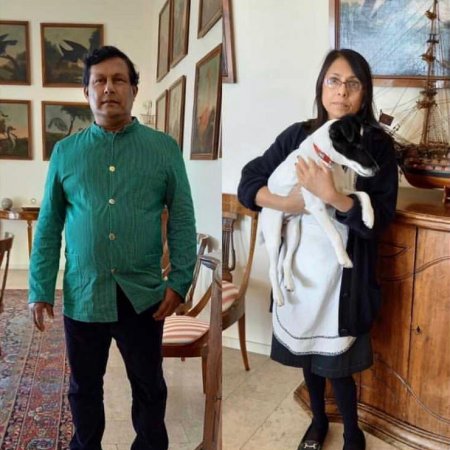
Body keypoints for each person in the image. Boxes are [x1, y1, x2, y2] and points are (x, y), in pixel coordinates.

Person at [28, 46, 197, 450]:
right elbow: (49, 224)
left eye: (119, 80)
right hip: (85, 293)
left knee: (149, 386)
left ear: (134, 90)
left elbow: (182, 218)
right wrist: (40, 288)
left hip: (143, 296)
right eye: (99, 81)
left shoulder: (163, 149)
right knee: (84, 387)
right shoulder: (66, 153)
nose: (109, 88)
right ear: (86, 92)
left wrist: (179, 281)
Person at [237, 49, 398, 450]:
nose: (342, 92)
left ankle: (353, 433)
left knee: (338, 365)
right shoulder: (298, 136)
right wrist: (286, 203)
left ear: (364, 92)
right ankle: (318, 422)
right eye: (334, 81)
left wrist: (333, 197)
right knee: (308, 357)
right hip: (299, 270)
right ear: (321, 86)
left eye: (353, 83)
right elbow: (249, 181)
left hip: (342, 278)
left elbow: (380, 219)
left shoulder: (376, 145)